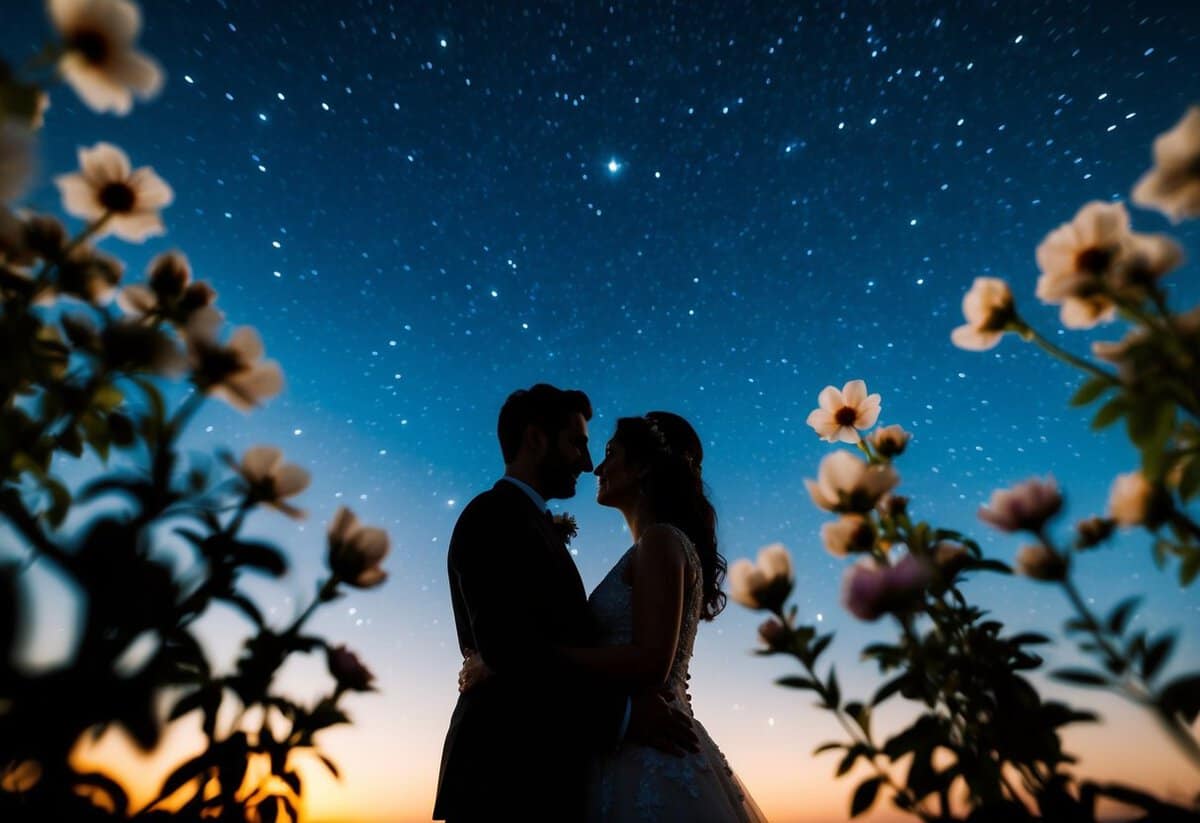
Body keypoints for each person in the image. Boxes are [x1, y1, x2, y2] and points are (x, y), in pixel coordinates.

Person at [458, 410, 766, 822]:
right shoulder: (654, 547)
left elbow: (651, 661)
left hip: (649, 750)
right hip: (624, 746)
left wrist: (515, 659)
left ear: (643, 468)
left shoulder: (659, 541)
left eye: (610, 453)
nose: (597, 467)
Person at [433, 386, 698, 823]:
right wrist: (624, 715)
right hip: (503, 777)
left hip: (550, 775)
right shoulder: (493, 517)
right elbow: (512, 653)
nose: (588, 462)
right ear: (536, 440)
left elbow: (519, 653)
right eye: (577, 442)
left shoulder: (535, 524)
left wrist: (497, 660)